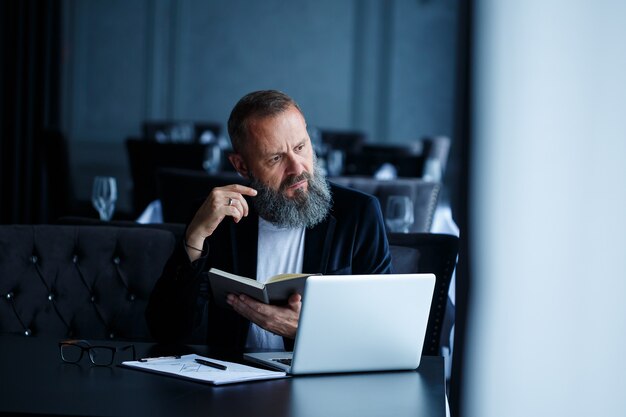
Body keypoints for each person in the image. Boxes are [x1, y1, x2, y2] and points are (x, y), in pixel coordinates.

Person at [146, 90, 392, 357]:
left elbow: (382, 332)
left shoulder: (358, 214)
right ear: (241, 165)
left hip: (322, 385)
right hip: (232, 386)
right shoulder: (219, 219)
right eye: (276, 158)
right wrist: (194, 238)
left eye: (300, 147)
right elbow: (167, 331)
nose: (297, 168)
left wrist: (308, 330)